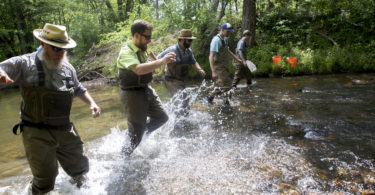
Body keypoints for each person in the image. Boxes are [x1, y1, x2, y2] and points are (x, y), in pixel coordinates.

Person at [0, 23, 101, 194]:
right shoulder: (24, 63)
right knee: (46, 179)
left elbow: (78, 89)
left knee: (80, 169)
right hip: (36, 132)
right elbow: (2, 67)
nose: (60, 53)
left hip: (65, 129)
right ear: (43, 44)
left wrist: (92, 104)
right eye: (56, 48)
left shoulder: (68, 68)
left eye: (63, 49)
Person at [116, 20, 176, 155]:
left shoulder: (143, 48)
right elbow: (137, 69)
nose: (149, 40)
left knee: (162, 117)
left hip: (146, 90)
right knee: (136, 133)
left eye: (150, 37)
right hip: (131, 94)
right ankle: (123, 159)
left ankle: (140, 135)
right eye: (147, 37)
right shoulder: (126, 52)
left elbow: (149, 62)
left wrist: (158, 63)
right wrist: (161, 61)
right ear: (137, 35)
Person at [157, 29, 205, 115]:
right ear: (182, 40)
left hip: (180, 80)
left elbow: (193, 61)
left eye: (191, 40)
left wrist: (199, 69)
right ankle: (175, 121)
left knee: (185, 101)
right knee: (180, 100)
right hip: (170, 80)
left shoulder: (188, 51)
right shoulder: (171, 50)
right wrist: (159, 65)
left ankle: (179, 117)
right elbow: (158, 58)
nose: (191, 42)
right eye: (189, 40)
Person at [205, 23, 243, 106]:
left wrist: (238, 59)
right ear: (222, 30)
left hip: (225, 66)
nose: (229, 33)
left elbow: (228, 51)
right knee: (227, 85)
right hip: (219, 67)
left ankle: (209, 97)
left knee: (221, 85)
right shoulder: (216, 40)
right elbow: (211, 56)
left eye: (230, 32)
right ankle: (226, 103)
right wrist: (213, 71)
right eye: (228, 31)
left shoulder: (225, 39)